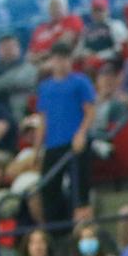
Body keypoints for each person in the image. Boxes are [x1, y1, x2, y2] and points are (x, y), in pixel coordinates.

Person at [34, 44, 95, 227]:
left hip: (75, 143)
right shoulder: (45, 87)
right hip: (53, 144)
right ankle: (57, 230)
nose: (61, 63)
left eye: (65, 58)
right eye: (57, 59)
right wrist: (37, 148)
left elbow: (90, 110)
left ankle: (84, 229)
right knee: (49, 188)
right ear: (51, 61)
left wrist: (81, 134)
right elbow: (43, 119)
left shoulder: (80, 81)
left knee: (80, 189)